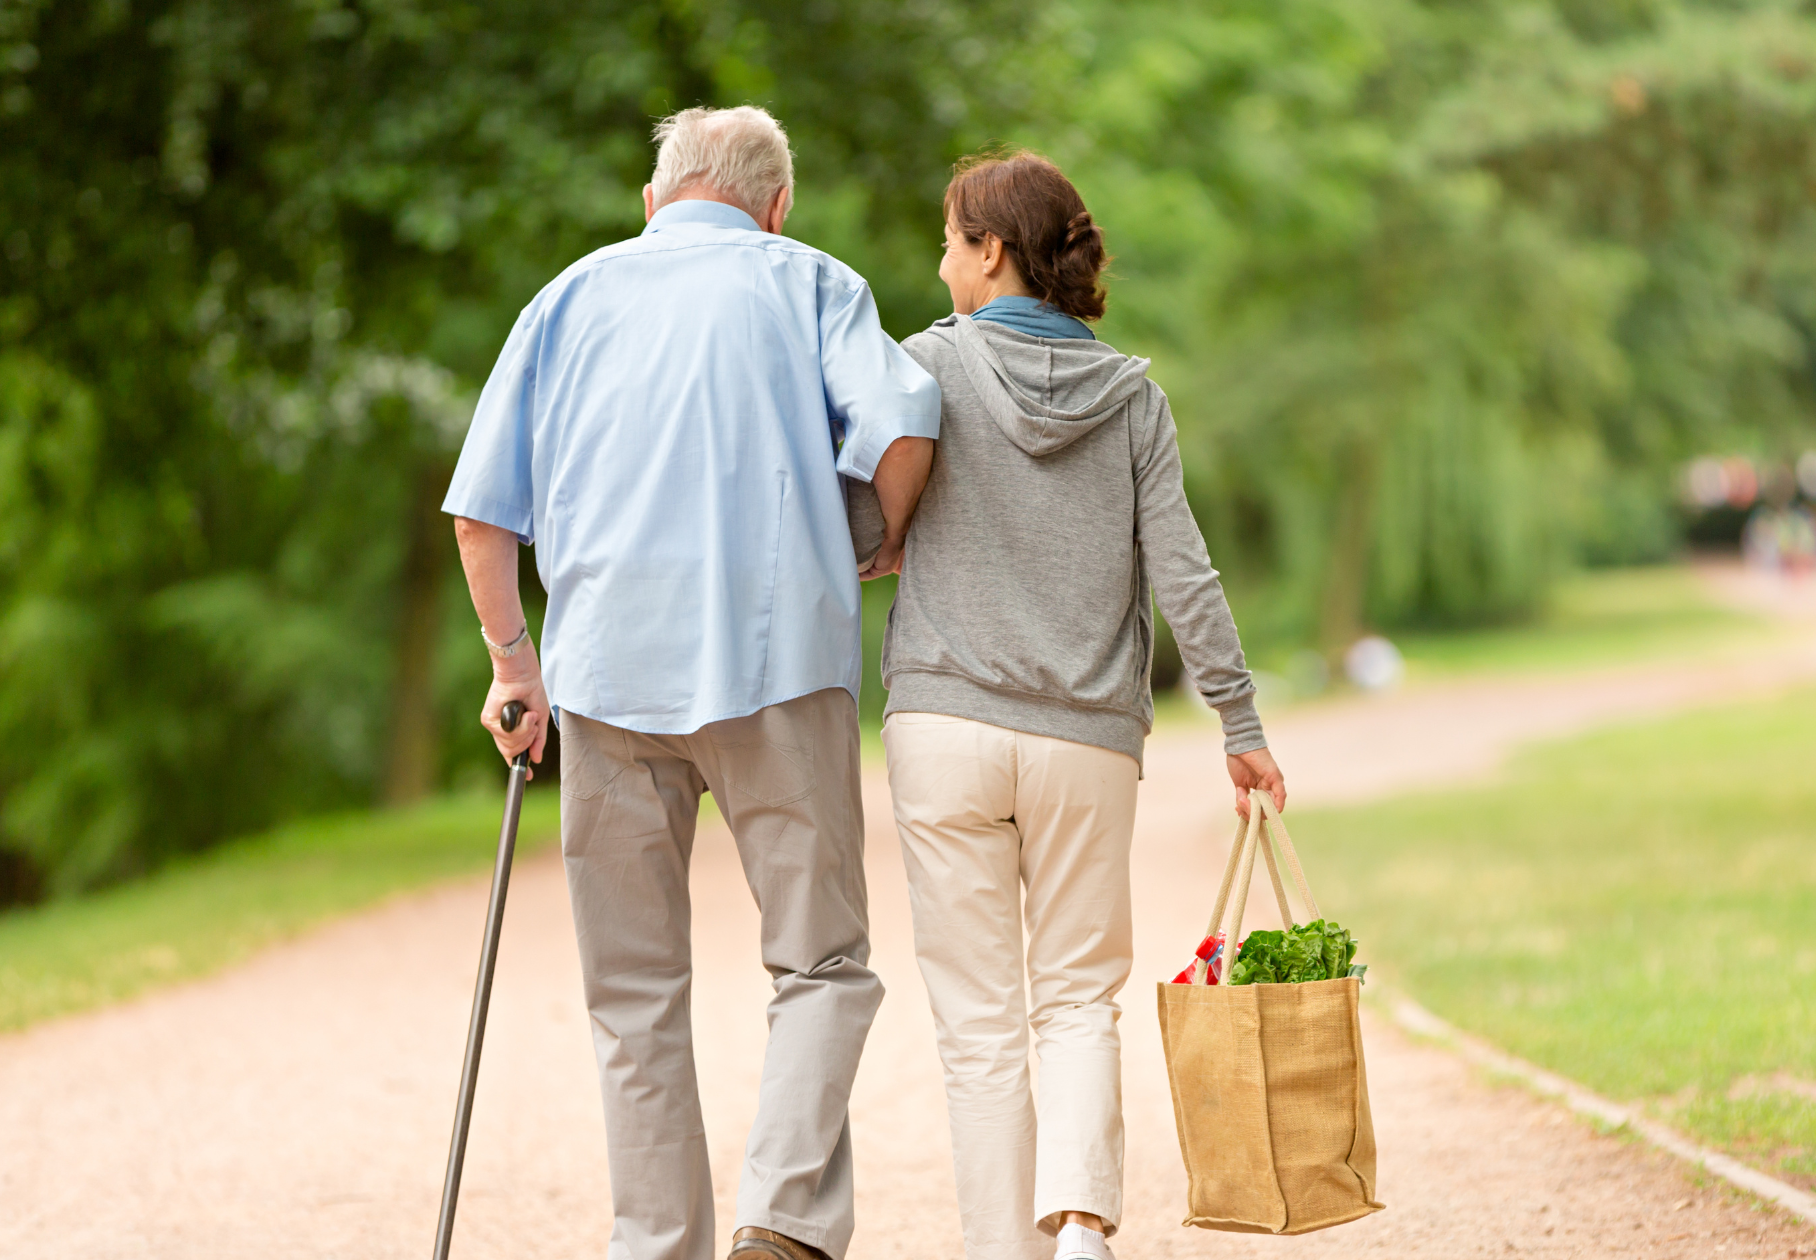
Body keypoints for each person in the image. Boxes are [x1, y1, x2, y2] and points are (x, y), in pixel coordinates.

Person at [444, 106, 940, 1260]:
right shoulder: (809, 280)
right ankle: (782, 1218)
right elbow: (907, 421)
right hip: (778, 666)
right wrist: (879, 537)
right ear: (776, 205)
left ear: (654, 200)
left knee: (631, 994)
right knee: (818, 962)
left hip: (606, 678)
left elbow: (480, 517)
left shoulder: (567, 298)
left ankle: (657, 1246)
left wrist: (516, 665)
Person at [852, 151, 1287, 1260]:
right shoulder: (1133, 396)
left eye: (949, 240)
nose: (938, 260)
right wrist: (1236, 724)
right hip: (1086, 739)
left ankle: (1001, 1250)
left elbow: (863, 528)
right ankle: (1083, 1231)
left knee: (980, 1020)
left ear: (991, 253)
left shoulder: (922, 371)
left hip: (944, 728)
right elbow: (1183, 572)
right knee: (1076, 999)